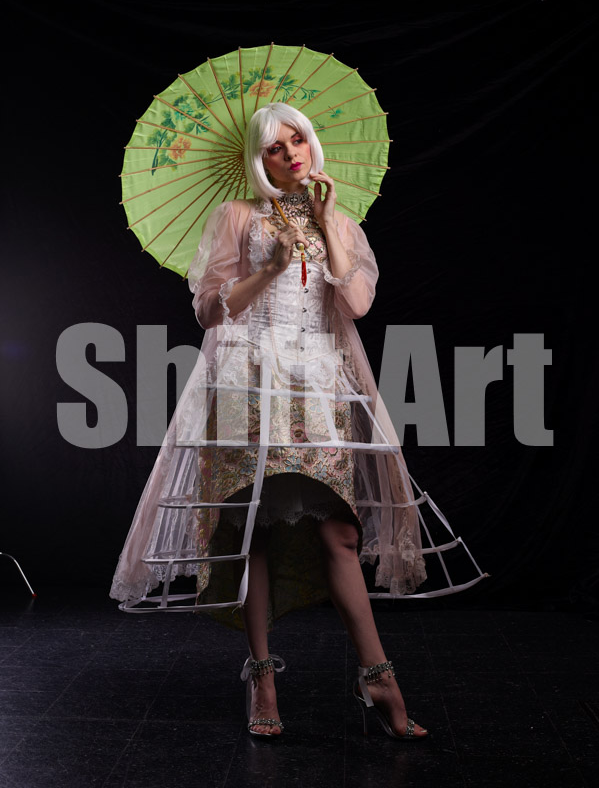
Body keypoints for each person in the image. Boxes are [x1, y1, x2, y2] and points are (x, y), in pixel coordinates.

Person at [111, 102, 429, 741]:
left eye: (297, 140)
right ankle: (261, 675)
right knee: (250, 526)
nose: (291, 155)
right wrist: (270, 269)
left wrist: (328, 225)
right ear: (259, 160)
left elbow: (356, 304)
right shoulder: (236, 216)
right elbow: (209, 311)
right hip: (246, 380)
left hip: (320, 385)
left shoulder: (340, 222)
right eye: (275, 148)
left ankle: (378, 675)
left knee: (339, 531)